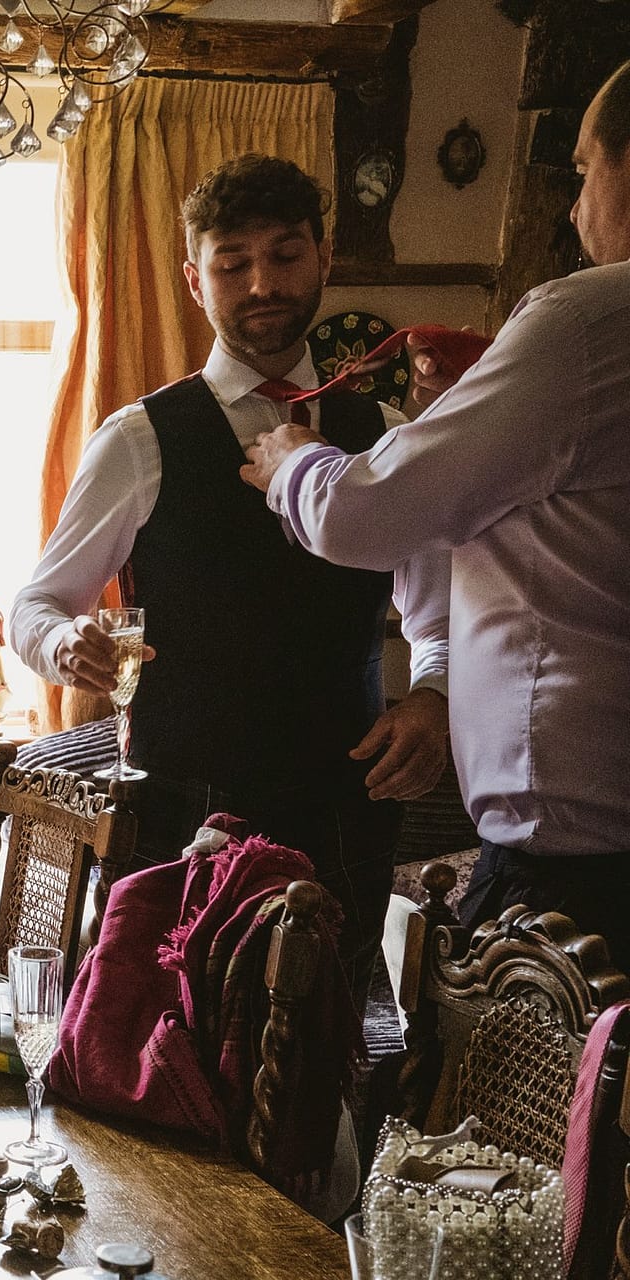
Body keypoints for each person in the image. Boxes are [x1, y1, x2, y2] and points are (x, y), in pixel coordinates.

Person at [10, 155, 451, 1008]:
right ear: (193, 278)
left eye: (285, 255)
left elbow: (438, 613)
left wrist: (432, 697)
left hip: (342, 807)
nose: (262, 283)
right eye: (232, 263)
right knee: (161, 1064)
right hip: (183, 808)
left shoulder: (384, 434)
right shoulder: (141, 438)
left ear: (324, 259)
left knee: (325, 1071)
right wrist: (67, 644)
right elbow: (37, 604)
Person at [242, 60, 630, 963]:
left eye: (581, 172)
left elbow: (365, 518)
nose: (574, 210)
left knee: (510, 1110)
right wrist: (490, 404)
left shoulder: (582, 324)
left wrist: (293, 460)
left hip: (574, 867)